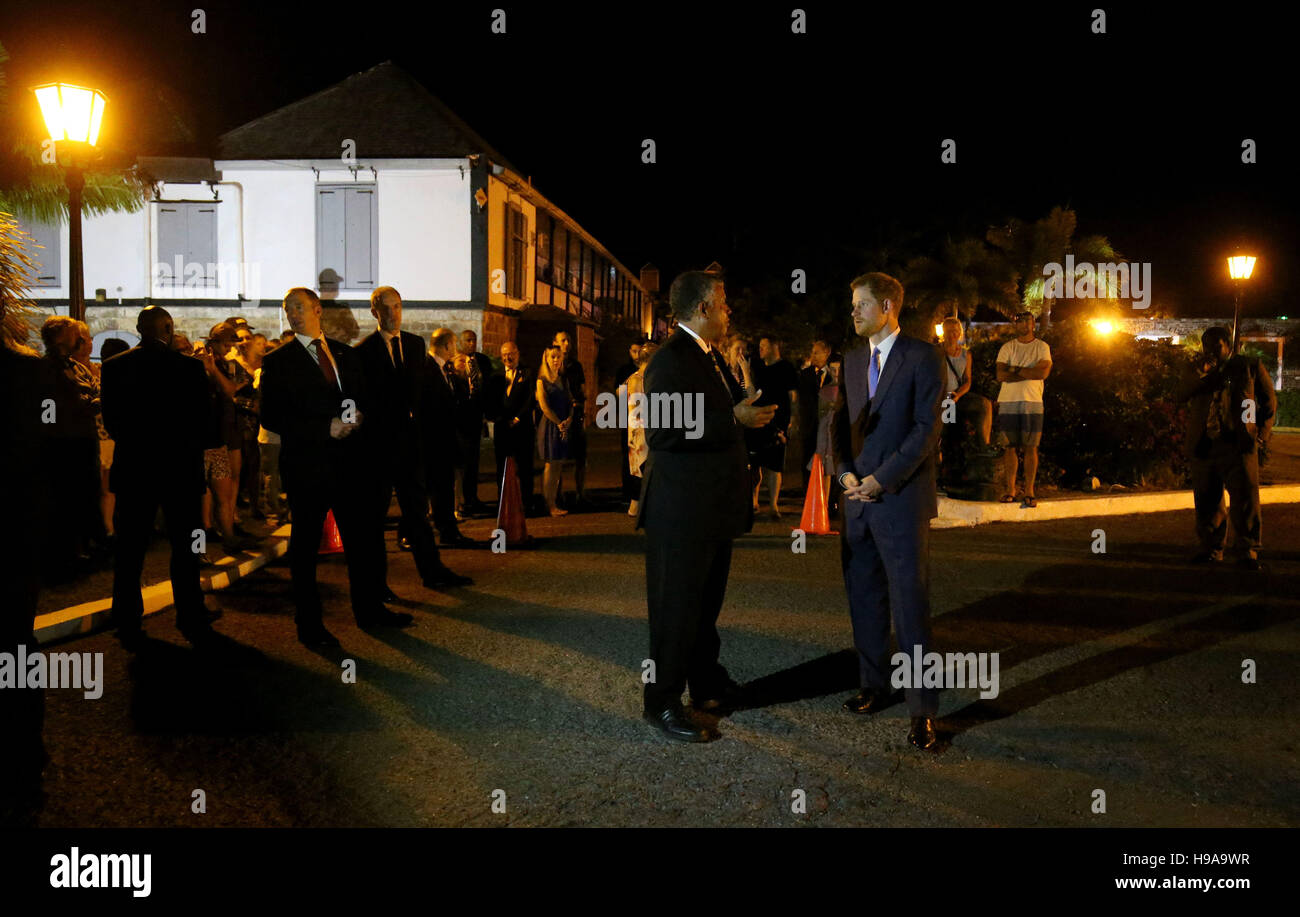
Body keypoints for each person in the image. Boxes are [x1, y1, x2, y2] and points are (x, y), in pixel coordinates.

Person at [637, 271, 775, 742]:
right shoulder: (669, 359)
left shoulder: (711, 356)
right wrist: (729, 418)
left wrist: (749, 414)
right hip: (679, 511)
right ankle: (661, 702)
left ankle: (706, 683)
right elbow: (662, 432)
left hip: (709, 508)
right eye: (723, 303)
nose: (728, 311)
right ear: (701, 309)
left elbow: (723, 415)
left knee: (704, 604)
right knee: (675, 609)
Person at [259, 287, 411, 647]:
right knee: (306, 548)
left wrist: (357, 415)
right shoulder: (278, 360)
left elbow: (362, 396)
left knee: (362, 542)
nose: (292, 313)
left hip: (351, 465)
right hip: (307, 467)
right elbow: (271, 415)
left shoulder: (344, 353)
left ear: (316, 309)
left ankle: (370, 610)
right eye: (287, 308)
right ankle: (309, 625)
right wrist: (323, 427)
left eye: (298, 306)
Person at [831, 272, 945, 751]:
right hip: (856, 503)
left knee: (910, 606)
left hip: (899, 500)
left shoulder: (922, 357)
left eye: (860, 304)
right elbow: (836, 424)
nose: (853, 312)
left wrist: (884, 478)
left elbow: (925, 430)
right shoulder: (852, 360)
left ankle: (922, 710)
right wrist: (845, 475)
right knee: (865, 599)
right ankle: (875, 685)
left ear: (887, 307)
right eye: (852, 304)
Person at [100, 307, 215, 648]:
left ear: (139, 329)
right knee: (186, 547)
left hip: (135, 469)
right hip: (180, 470)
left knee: (130, 548)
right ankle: (190, 612)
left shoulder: (114, 367)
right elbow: (203, 423)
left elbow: (112, 422)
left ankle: (126, 616)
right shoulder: (190, 367)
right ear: (168, 327)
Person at [356, 287, 471, 595]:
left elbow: (423, 396)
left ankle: (433, 572)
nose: (393, 313)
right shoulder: (364, 352)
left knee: (418, 514)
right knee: (374, 521)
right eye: (386, 308)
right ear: (375, 313)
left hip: (411, 448)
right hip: (379, 450)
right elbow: (362, 402)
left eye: (397, 306)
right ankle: (376, 586)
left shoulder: (414, 344)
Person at [1177, 326, 1275, 570]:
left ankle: (1248, 550)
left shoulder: (1248, 366)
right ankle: (1210, 548)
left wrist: (1260, 434)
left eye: (1216, 345)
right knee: (1207, 500)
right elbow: (1180, 394)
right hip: (1204, 443)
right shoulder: (1196, 371)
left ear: (1228, 346)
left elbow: (1268, 401)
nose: (1210, 350)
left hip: (1238, 442)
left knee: (1244, 500)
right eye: (1206, 345)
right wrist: (1203, 374)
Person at [39, 317, 103, 581]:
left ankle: (81, 549)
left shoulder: (76, 367)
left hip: (82, 439)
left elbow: (95, 392)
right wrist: (57, 426)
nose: (81, 339)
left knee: (85, 497)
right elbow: (48, 409)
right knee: (65, 501)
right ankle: (65, 557)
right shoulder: (45, 369)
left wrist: (87, 403)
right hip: (62, 444)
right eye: (75, 334)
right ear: (60, 338)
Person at [421, 328, 476, 547]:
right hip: (433, 441)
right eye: (454, 345)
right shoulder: (427, 369)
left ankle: (448, 531)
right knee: (429, 489)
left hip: (446, 441)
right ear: (446, 346)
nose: (456, 349)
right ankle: (415, 532)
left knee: (444, 488)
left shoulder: (446, 370)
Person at [995, 311, 1052, 507]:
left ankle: (1029, 491)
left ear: (1033, 324)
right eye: (1020, 321)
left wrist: (1015, 369)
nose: (1024, 324)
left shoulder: (1042, 347)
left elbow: (1043, 372)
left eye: (1028, 320)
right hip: (1008, 400)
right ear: (1016, 325)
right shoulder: (1007, 347)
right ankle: (1010, 490)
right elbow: (1001, 375)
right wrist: (1029, 371)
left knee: (1030, 447)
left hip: (1032, 401)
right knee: (1009, 447)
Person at [486, 341, 537, 513]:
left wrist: (517, 418)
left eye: (511, 353)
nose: (508, 357)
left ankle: (527, 503)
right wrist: (499, 419)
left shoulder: (528, 373)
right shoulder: (495, 376)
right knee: (502, 468)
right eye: (504, 355)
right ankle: (503, 504)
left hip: (523, 428)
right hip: (503, 429)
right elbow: (491, 401)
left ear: (517, 353)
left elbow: (530, 398)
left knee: (525, 468)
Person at [752, 335, 798, 518]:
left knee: (775, 465)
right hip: (757, 420)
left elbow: (793, 395)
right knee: (755, 464)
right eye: (760, 346)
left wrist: (794, 417)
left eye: (764, 346)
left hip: (778, 421)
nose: (760, 349)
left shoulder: (786, 368)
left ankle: (773, 505)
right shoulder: (757, 368)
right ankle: (754, 501)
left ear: (774, 346)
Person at [457, 329, 494, 514]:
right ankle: (461, 501)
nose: (472, 343)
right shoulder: (456, 363)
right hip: (461, 419)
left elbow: (488, 388)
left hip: (476, 417)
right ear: (460, 342)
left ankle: (472, 497)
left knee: (474, 460)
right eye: (468, 340)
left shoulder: (483, 362)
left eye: (474, 340)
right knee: (462, 462)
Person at [535, 344, 574, 516]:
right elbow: (544, 406)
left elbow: (571, 401)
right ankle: (549, 504)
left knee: (559, 465)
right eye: (553, 356)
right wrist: (559, 422)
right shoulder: (541, 380)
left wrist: (569, 419)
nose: (556, 360)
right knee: (550, 465)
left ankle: (554, 502)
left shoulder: (564, 380)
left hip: (563, 425)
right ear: (546, 358)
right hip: (551, 425)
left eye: (559, 356)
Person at [553, 331, 588, 506]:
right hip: (561, 414)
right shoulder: (553, 364)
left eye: (568, 340)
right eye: (563, 340)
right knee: (559, 456)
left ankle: (580, 492)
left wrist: (581, 406)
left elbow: (582, 388)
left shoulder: (576, 365)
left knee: (580, 455)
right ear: (555, 342)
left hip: (577, 413)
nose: (566, 343)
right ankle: (557, 493)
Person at [624, 342, 657, 517]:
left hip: (643, 430)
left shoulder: (644, 378)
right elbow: (634, 409)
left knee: (641, 469)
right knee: (641, 468)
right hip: (641, 431)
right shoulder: (638, 379)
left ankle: (637, 506)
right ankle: (637, 507)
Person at [797, 340, 834, 487]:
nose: (813, 356)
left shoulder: (834, 375)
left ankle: (829, 501)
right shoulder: (804, 375)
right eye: (812, 353)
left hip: (827, 426)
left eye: (817, 352)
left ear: (827, 352)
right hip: (809, 426)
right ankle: (808, 495)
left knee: (828, 463)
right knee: (808, 461)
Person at [615, 340, 644, 505]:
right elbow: (618, 392)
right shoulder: (624, 370)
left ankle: (639, 492)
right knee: (627, 455)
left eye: (639, 351)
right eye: (634, 351)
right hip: (628, 417)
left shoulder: (648, 370)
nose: (637, 354)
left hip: (642, 418)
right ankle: (627, 491)